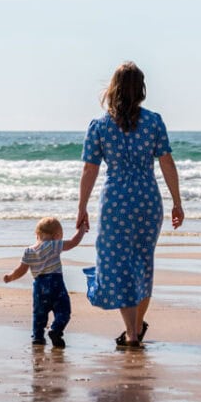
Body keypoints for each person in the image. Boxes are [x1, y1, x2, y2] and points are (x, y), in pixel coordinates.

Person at [76, 61, 184, 349]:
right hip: (147, 200)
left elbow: (90, 169)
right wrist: (176, 201)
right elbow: (167, 162)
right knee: (143, 264)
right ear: (141, 90)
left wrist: (82, 207)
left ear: (113, 89)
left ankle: (132, 333)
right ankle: (135, 328)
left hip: (115, 201)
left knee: (119, 266)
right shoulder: (154, 121)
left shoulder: (99, 126)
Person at [3, 215, 88, 348]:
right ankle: (56, 329)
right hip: (56, 285)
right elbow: (73, 242)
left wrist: (10, 277)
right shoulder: (54, 245)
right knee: (63, 311)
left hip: (39, 287)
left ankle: (37, 337)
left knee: (39, 314)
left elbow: (21, 270)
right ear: (57, 235)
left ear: (37, 234)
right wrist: (81, 230)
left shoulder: (29, 251)